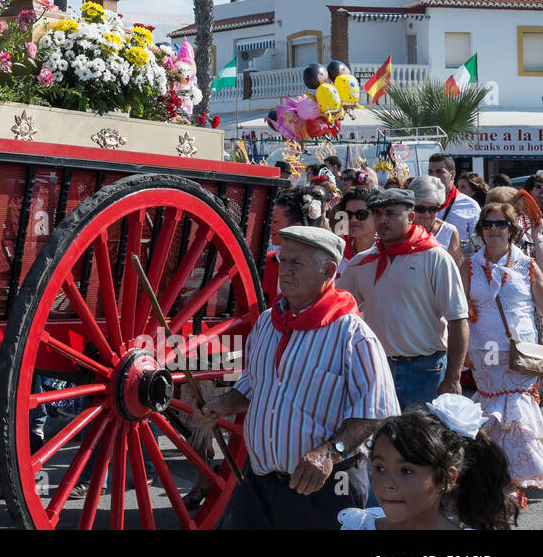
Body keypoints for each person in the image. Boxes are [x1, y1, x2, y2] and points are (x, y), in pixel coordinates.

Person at [198, 227, 398, 529]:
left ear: (329, 270)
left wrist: (330, 452)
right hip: (260, 483)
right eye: (283, 260)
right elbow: (253, 384)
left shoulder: (353, 335)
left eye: (297, 263)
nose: (285, 270)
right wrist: (223, 404)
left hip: (326, 487)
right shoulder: (268, 322)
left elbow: (377, 413)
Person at [337, 188, 470, 410]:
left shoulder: (435, 257)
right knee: (379, 441)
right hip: (375, 368)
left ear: (410, 217)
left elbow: (458, 320)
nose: (382, 219)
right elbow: (339, 312)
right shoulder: (362, 262)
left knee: (423, 443)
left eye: (390, 213)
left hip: (425, 371)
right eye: (377, 213)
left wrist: (453, 378)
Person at [460, 200, 543, 498]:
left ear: (512, 229)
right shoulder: (469, 266)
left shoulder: (527, 265)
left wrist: (539, 239)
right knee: (494, 412)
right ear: (481, 229)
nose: (494, 230)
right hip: (486, 352)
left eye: (501, 224)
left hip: (519, 353)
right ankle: (497, 476)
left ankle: (513, 482)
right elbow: (457, 311)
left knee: (517, 411)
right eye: (488, 224)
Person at [339, 395, 517, 530]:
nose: (388, 484)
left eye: (406, 470)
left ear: (446, 479)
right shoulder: (359, 525)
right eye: (380, 468)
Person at [263, 186, 329, 303]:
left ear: (296, 228)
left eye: (275, 222)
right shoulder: (267, 261)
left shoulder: (320, 269)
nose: (270, 227)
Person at [410, 176, 464, 271]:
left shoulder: (449, 232)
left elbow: (458, 271)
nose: (427, 215)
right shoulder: (402, 229)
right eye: (420, 209)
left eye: (433, 209)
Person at [429, 153, 479, 244]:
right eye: (430, 172)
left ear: (452, 174)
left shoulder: (470, 206)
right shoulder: (421, 203)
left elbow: (476, 244)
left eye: (439, 172)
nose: (434, 176)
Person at [333, 190, 377, 281]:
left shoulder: (387, 253)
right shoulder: (337, 251)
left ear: (377, 217)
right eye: (348, 215)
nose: (353, 220)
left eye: (361, 214)